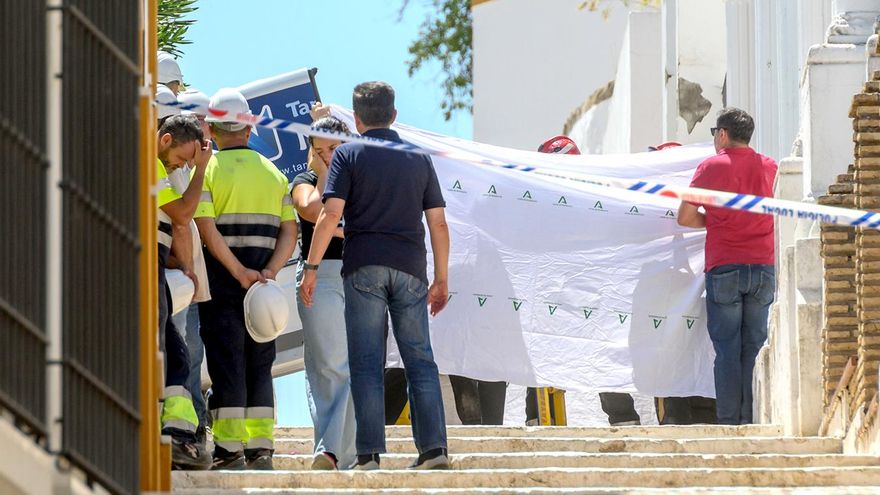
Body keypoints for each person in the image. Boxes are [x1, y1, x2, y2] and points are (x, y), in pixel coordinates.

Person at [300, 81, 450, 470]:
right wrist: (442, 278)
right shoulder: (418, 157)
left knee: (366, 362)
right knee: (420, 359)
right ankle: (433, 450)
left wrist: (311, 268)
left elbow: (330, 215)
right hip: (411, 268)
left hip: (363, 266)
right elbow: (437, 222)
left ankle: (368, 456)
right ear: (394, 115)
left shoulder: (348, 154)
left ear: (357, 118)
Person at [194, 88, 298, 469]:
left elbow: (206, 228)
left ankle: (229, 450)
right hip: (263, 291)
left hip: (222, 286)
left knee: (227, 365)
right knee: (259, 365)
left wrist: (238, 273)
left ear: (212, 129)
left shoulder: (209, 172)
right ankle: (261, 448)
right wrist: (269, 271)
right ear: (250, 128)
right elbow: (290, 231)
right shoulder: (274, 174)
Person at [677, 107, 777, 425]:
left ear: (722, 134)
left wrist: (718, 220)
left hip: (725, 267)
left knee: (727, 350)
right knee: (755, 347)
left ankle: (729, 423)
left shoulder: (710, 167)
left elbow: (685, 217)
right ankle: (753, 420)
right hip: (763, 267)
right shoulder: (770, 167)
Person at [535, 135, 642, 426]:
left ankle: (623, 420)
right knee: (541, 350)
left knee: (602, 353)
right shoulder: (543, 200)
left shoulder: (596, 193)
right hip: (557, 289)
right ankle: (541, 421)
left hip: (592, 290)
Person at [292, 109, 357, 470]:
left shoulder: (360, 177)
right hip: (320, 277)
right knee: (328, 366)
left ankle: (338, 453)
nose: (328, 156)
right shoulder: (305, 179)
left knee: (344, 366)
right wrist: (321, 172)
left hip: (359, 276)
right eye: (320, 151)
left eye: (334, 149)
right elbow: (312, 210)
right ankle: (332, 450)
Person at [155, 112, 212, 470]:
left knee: (174, 355)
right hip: (146, 270)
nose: (184, 166)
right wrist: (201, 170)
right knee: (171, 354)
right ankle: (176, 439)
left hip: (156, 266)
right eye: (183, 158)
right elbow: (182, 216)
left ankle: (177, 437)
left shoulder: (158, 167)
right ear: (165, 140)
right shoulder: (152, 166)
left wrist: (176, 262)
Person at [169, 88, 213, 445]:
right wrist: (186, 267)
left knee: (188, 355)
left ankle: (191, 428)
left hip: (184, 277)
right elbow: (183, 219)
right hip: (178, 277)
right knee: (181, 354)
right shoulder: (163, 167)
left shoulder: (176, 164)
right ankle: (184, 431)